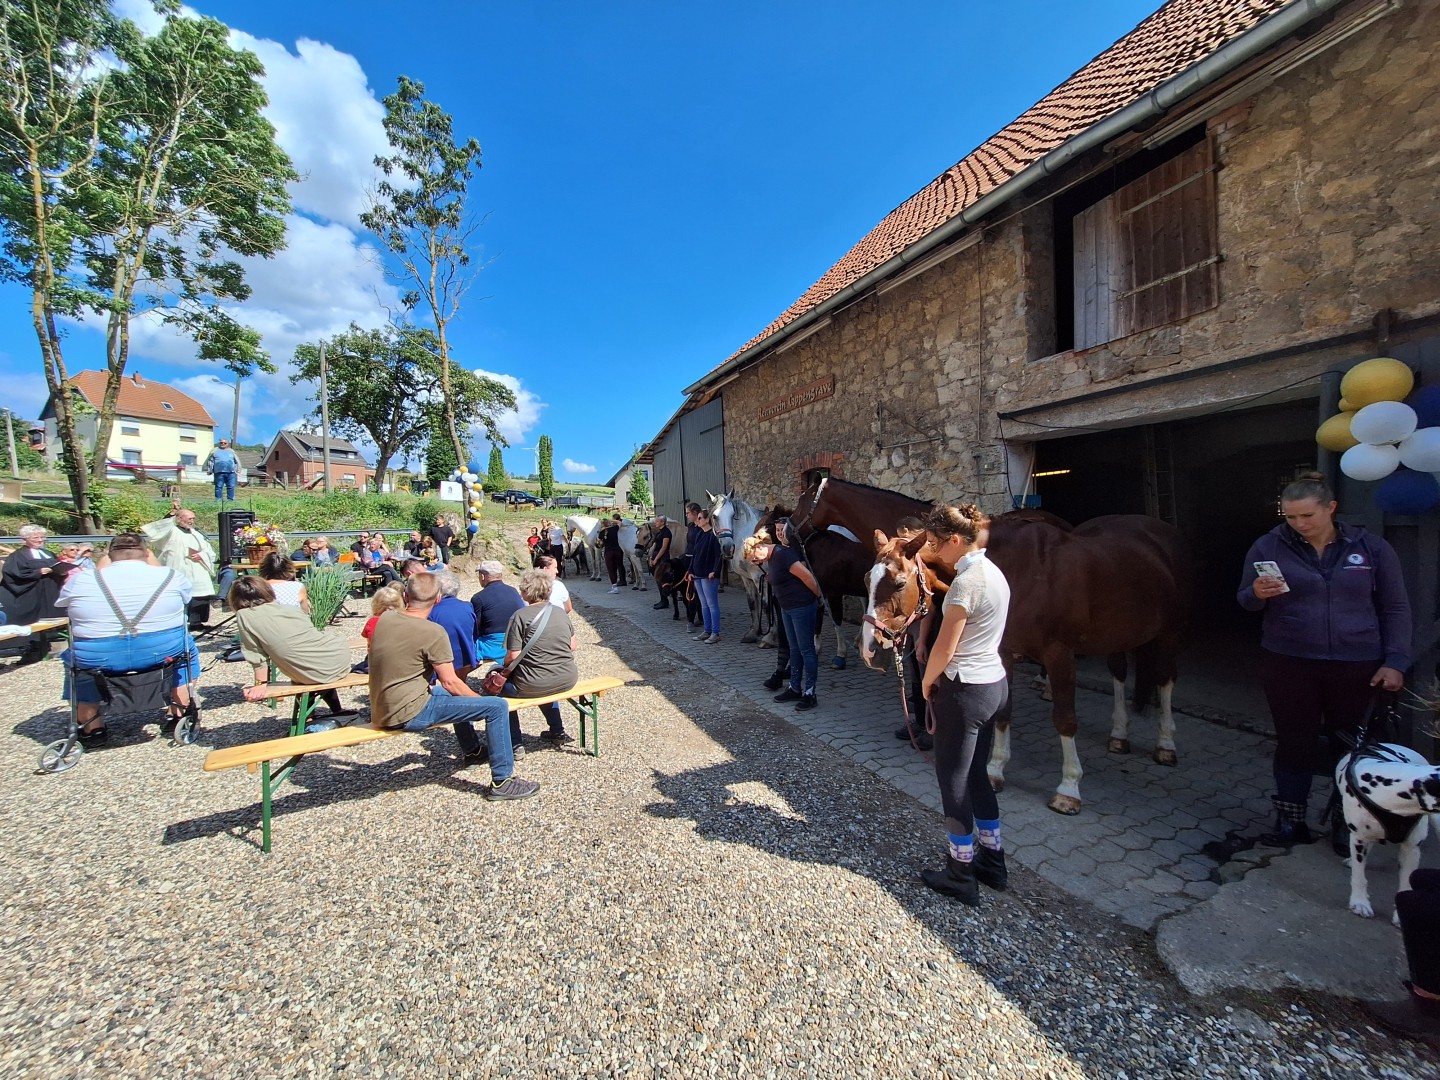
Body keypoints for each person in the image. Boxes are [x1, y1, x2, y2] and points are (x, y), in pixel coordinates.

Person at [1237, 471, 1411, 848]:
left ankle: (1346, 824)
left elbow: (1395, 607)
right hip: (1288, 661)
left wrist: (1395, 659)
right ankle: (1290, 822)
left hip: (1357, 664)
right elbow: (1244, 601)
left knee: (1349, 746)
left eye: (1307, 516)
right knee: (1293, 741)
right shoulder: (1268, 547)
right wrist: (1255, 592)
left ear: (1331, 508)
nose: (1298, 525)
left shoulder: (1371, 548)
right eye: (1290, 517)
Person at [368, 572, 537, 800]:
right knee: (496, 707)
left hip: (382, 707)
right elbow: (451, 681)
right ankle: (502, 781)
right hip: (409, 711)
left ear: (405, 595)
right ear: (438, 598)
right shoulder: (432, 632)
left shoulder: (385, 620)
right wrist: (483, 702)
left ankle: (473, 750)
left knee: (446, 693)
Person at [916, 503, 1012, 906]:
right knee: (976, 775)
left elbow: (945, 643)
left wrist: (926, 680)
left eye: (937, 543)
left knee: (952, 780)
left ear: (956, 540)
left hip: (965, 687)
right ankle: (993, 859)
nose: (934, 551)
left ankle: (960, 870)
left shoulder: (965, 582)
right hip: (994, 683)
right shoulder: (995, 573)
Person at [55, 531, 200, 743]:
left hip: (98, 654)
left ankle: (90, 725)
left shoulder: (83, 579)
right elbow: (185, 598)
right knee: (187, 651)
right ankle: (179, 709)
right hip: (160, 649)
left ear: (109, 554)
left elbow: (64, 604)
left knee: (78, 664)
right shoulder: (170, 576)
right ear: (146, 553)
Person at [228, 576, 357, 729]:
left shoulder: (245, 615)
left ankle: (312, 717)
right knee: (313, 664)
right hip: (337, 656)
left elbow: (255, 654)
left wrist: (260, 684)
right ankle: (336, 712)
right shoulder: (288, 608)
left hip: (312, 669)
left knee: (307, 668)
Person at [744, 531, 822, 709]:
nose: (756, 563)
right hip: (787, 608)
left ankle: (810, 692)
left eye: (754, 558)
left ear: (760, 547)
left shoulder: (783, 555)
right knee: (793, 648)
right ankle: (795, 687)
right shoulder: (771, 558)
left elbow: (807, 577)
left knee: (806, 650)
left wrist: (818, 597)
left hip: (801, 607)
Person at [502, 569, 578, 745]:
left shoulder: (520, 616)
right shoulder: (560, 613)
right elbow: (573, 646)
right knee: (543, 677)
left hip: (534, 683)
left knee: (499, 692)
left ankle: (515, 743)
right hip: (567, 678)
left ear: (527, 592)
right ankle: (557, 730)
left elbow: (512, 656)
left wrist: (503, 666)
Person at [892, 516, 934, 751]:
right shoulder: (907, 562)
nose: (903, 545)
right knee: (915, 676)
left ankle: (932, 727)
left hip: (925, 622)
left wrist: (922, 638)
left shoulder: (927, 563)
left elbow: (930, 600)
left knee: (927, 675)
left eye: (907, 539)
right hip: (912, 623)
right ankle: (919, 721)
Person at [0, 526, 76, 653]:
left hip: (50, 592)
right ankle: (32, 646)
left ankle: (53, 640)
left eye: (42, 537)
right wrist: (37, 572)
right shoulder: (17, 556)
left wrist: (62, 572)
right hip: (30, 593)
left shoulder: (48, 554)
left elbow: (58, 567)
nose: (40, 540)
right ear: (25, 539)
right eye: (36, 537)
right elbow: (12, 574)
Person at [140, 506, 217, 628]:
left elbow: (209, 551)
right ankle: (178, 622)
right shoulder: (171, 532)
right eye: (189, 518)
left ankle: (196, 622)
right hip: (178, 567)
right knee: (178, 595)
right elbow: (160, 528)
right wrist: (172, 513)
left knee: (199, 595)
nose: (192, 521)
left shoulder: (196, 533)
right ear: (179, 519)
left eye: (193, 518)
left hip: (197, 568)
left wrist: (201, 555)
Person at [472, 560, 525, 664]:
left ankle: (459, 678)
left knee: (462, 646)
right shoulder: (513, 591)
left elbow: (475, 627)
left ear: (482, 576)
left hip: (493, 645)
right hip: (516, 640)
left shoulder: (478, 598)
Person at [429, 571, 477, 680]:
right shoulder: (468, 607)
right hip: (466, 656)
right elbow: (474, 634)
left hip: (442, 659)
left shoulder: (431, 611)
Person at [353, 583, 404, 674]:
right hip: (399, 659)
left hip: (377, 660)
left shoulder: (372, 622)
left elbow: (368, 640)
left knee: (355, 669)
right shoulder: (404, 621)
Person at [689, 507, 723, 644]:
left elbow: (718, 555)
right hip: (697, 573)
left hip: (708, 574)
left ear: (707, 519)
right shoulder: (699, 534)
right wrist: (690, 570)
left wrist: (714, 571)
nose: (697, 520)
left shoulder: (713, 535)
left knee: (712, 604)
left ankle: (715, 632)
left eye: (700, 518)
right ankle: (707, 630)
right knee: (704, 604)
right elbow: (695, 553)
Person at [681, 502, 703, 627]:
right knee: (689, 590)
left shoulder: (702, 527)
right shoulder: (690, 526)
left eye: (688, 513)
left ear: (695, 513)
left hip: (697, 561)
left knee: (696, 591)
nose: (686, 515)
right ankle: (692, 618)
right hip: (688, 559)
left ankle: (697, 618)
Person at [649, 515, 673, 609]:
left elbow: (664, 548)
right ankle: (662, 599)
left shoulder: (666, 533)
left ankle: (665, 600)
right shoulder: (659, 532)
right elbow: (655, 546)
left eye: (658, 521)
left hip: (663, 559)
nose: (656, 523)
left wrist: (656, 559)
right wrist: (651, 557)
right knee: (658, 579)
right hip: (656, 557)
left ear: (662, 522)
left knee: (662, 579)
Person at [601, 513, 626, 593]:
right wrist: (612, 520)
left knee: (611, 569)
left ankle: (614, 586)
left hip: (608, 552)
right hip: (617, 551)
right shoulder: (614, 529)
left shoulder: (601, 532)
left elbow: (600, 543)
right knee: (617, 567)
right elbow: (620, 523)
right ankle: (620, 580)